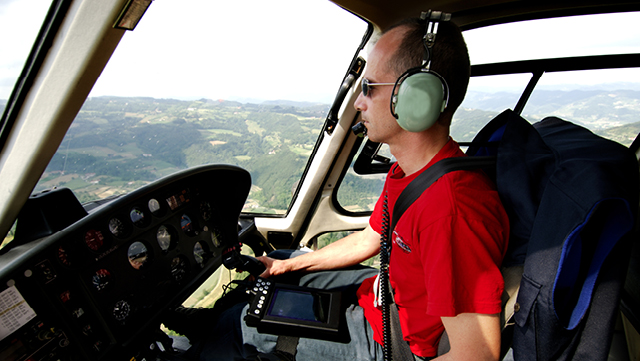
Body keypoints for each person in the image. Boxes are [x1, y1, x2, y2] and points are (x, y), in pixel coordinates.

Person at [178, 16, 509, 361]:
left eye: (369, 87)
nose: (358, 103)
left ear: (415, 98)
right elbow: (369, 240)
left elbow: (477, 354)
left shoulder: (450, 210)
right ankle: (209, 323)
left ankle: (206, 338)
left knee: (243, 329)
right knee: (273, 268)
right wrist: (286, 267)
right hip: (381, 300)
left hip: (392, 341)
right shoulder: (411, 172)